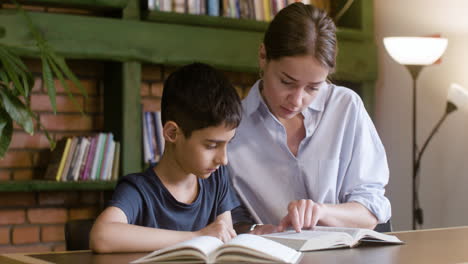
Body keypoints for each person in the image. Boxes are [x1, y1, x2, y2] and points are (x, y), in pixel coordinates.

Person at [228, 2, 391, 234]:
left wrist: (322, 212)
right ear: (263, 56)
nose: (296, 100)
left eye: (313, 88)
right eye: (287, 82)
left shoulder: (346, 108)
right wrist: (256, 229)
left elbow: (371, 211)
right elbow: (227, 219)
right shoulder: (232, 128)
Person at [90, 63, 242, 253]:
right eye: (211, 146)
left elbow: (223, 236)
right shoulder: (139, 190)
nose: (223, 159)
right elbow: (102, 236)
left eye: (229, 143)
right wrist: (196, 237)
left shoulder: (216, 178)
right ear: (172, 133)